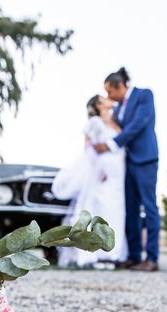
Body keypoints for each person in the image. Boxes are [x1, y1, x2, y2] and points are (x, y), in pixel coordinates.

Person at [94, 68, 160, 272]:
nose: (108, 97)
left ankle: (152, 258)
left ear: (119, 86)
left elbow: (139, 124)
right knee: (130, 209)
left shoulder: (144, 95)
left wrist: (112, 144)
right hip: (127, 163)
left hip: (145, 159)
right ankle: (133, 256)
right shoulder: (119, 107)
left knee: (149, 207)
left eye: (110, 92)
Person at [52, 95, 128, 267]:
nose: (110, 100)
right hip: (102, 176)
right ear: (99, 105)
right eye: (104, 98)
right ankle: (97, 253)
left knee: (116, 210)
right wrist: (100, 169)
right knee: (102, 209)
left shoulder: (117, 123)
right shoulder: (95, 122)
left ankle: (114, 253)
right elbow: (89, 148)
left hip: (118, 175)